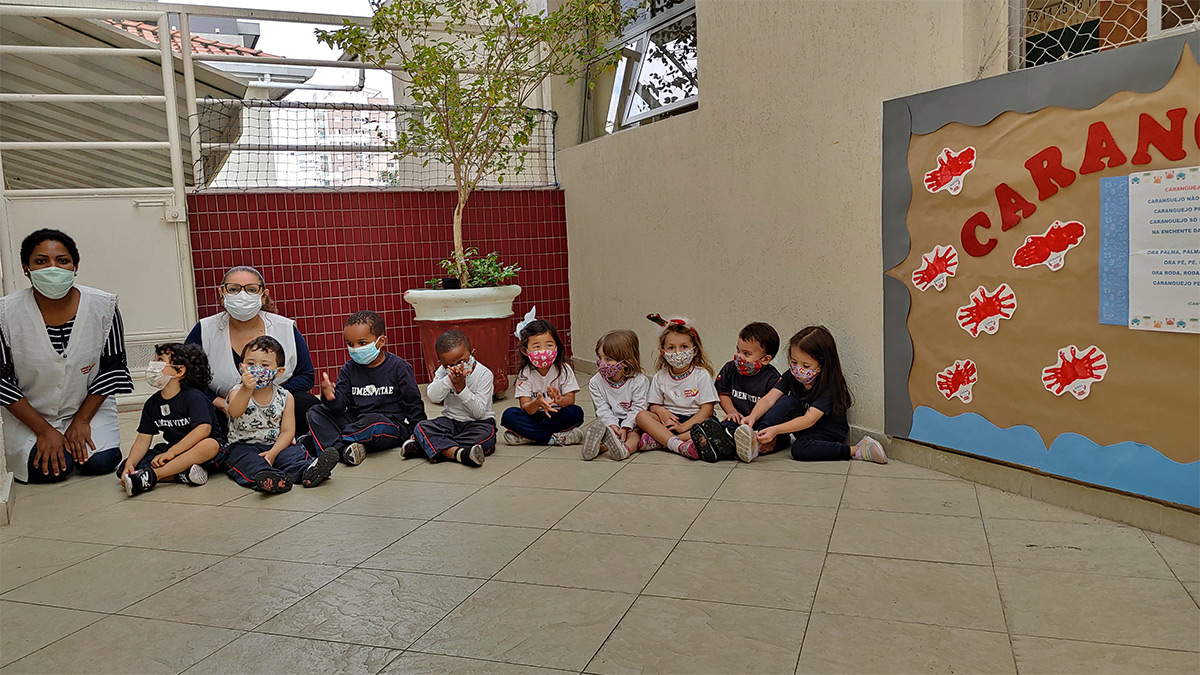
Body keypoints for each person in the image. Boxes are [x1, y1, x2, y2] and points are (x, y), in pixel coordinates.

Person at [0, 229, 133, 484]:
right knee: (49, 472)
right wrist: (44, 431)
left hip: (88, 408)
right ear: (26, 268)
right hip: (31, 414)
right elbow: (2, 382)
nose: (53, 268)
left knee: (100, 463)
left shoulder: (104, 306)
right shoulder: (5, 313)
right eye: (41, 261)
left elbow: (112, 369)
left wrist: (82, 420)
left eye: (62, 260)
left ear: (75, 266)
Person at [186, 265, 318, 434]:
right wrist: (216, 401)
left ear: (263, 296)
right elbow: (186, 376)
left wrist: (273, 400)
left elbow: (306, 375)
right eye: (233, 289)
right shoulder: (204, 330)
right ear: (222, 294)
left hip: (275, 412)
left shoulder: (285, 328)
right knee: (198, 410)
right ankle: (219, 453)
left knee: (307, 404)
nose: (242, 296)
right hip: (224, 410)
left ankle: (295, 445)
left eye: (251, 290)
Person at [737, 326, 886, 464]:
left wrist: (776, 430)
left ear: (822, 364)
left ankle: (857, 450)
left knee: (799, 450)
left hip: (824, 433)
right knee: (787, 401)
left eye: (806, 366)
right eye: (794, 362)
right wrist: (753, 416)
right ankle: (759, 437)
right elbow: (770, 398)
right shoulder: (792, 375)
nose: (798, 369)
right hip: (801, 427)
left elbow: (809, 419)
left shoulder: (830, 386)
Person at [219, 336, 340, 493]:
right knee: (248, 462)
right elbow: (235, 411)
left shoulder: (285, 396)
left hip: (277, 444)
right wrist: (246, 389)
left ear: (279, 371)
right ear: (241, 367)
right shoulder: (237, 391)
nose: (257, 369)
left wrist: (273, 453)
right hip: (243, 446)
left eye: (264, 365)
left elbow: (288, 431)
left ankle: (309, 471)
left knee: (293, 455)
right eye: (250, 364)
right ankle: (270, 479)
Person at [306, 311, 425, 465]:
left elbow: (413, 403)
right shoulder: (348, 369)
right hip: (355, 421)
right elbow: (340, 406)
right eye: (350, 344)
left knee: (373, 423)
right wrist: (330, 397)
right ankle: (343, 451)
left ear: (381, 341)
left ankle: (327, 441)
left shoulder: (399, 368)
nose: (355, 349)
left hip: (387, 425)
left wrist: (418, 434)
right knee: (315, 411)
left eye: (362, 343)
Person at [117, 343, 222, 496]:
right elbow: (142, 440)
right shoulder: (152, 404)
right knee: (124, 468)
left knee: (209, 445)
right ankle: (182, 475)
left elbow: (203, 429)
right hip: (174, 449)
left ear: (180, 370)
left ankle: (154, 476)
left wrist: (172, 453)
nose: (153, 366)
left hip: (200, 449)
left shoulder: (194, 397)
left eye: (160, 360)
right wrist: (130, 464)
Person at [403, 330, 496, 467]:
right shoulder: (443, 372)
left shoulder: (484, 374)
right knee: (422, 426)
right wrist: (449, 381)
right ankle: (460, 454)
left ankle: (429, 446)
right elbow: (434, 396)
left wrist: (461, 389)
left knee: (487, 437)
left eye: (461, 361)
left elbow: (479, 412)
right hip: (450, 422)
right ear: (441, 363)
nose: (456, 368)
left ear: (472, 354)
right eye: (449, 365)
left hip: (478, 423)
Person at [690, 322, 781, 462]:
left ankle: (725, 446)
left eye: (747, 354)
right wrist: (731, 411)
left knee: (774, 439)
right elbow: (723, 393)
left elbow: (774, 406)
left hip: (761, 425)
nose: (739, 357)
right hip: (738, 421)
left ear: (765, 359)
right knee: (724, 426)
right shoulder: (730, 368)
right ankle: (719, 445)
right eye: (738, 350)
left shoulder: (772, 378)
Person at [634, 314, 719, 461]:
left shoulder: (701, 375)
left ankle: (662, 441)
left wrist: (683, 427)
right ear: (663, 352)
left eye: (684, 347)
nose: (678, 353)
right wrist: (660, 411)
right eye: (671, 348)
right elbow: (653, 406)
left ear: (695, 350)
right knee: (641, 416)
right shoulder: (660, 376)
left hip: (695, 420)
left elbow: (707, 410)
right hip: (669, 421)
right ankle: (680, 445)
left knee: (712, 425)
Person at [500, 310, 585, 446]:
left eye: (549, 345)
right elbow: (525, 406)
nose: (543, 351)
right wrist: (537, 403)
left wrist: (560, 400)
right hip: (534, 416)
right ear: (525, 351)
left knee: (575, 413)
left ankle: (530, 436)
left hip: (556, 413)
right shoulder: (525, 373)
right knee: (509, 415)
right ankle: (553, 438)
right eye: (537, 347)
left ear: (556, 347)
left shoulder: (563, 369)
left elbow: (570, 401)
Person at [580, 329, 649, 461]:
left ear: (624, 361)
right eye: (599, 357)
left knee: (634, 436)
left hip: (633, 422)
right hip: (610, 421)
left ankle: (624, 451)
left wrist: (626, 426)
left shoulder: (639, 381)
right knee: (607, 433)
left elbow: (639, 408)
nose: (602, 363)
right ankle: (598, 448)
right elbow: (601, 408)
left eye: (608, 359)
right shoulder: (595, 382)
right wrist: (613, 425)